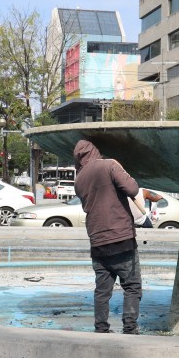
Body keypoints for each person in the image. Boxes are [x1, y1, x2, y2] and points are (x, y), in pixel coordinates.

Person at [73, 139, 143, 334]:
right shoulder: (110, 165)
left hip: (97, 241)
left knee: (102, 292)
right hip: (121, 238)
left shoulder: (78, 180)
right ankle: (130, 328)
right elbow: (133, 189)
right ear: (96, 151)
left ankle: (101, 329)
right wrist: (121, 169)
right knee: (132, 286)